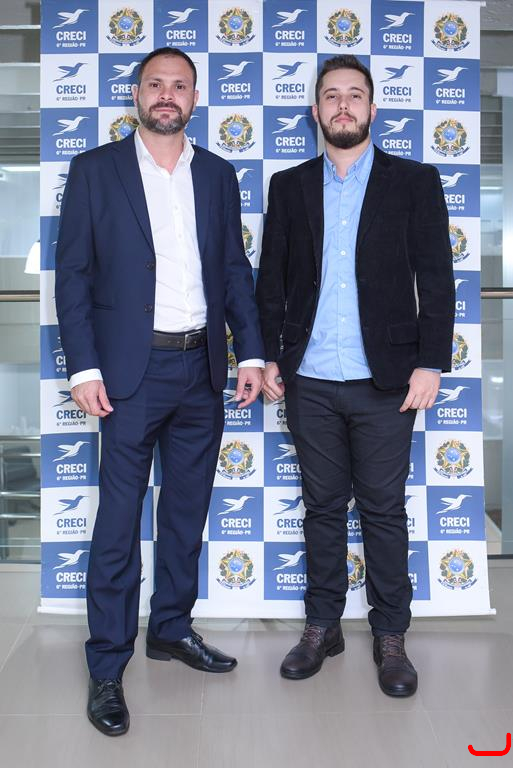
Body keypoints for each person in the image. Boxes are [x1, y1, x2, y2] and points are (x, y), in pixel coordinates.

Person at [55, 47, 264, 736]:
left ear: (194, 99)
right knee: (118, 523)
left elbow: (233, 270)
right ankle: (107, 663)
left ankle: (171, 627)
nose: (167, 95)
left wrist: (250, 351)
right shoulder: (95, 170)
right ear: (137, 95)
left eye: (179, 86)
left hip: (201, 369)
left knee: (185, 513)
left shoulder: (217, 174)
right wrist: (83, 369)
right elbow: (74, 275)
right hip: (127, 372)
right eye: (155, 84)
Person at [256, 54, 454, 697]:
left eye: (355, 95)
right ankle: (322, 627)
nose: (343, 105)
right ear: (315, 111)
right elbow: (272, 281)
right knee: (320, 508)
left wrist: (430, 361)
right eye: (331, 96)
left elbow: (437, 278)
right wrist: (269, 356)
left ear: (372, 107)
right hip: (309, 379)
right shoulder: (289, 186)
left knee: (383, 510)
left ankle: (391, 635)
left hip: (387, 380)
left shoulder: (414, 181)